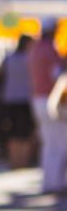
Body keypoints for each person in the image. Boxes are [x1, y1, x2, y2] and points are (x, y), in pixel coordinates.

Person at [27, 18, 67, 193]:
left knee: (49, 143)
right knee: (59, 143)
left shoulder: (35, 49)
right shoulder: (50, 49)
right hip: (52, 101)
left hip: (38, 99)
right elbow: (56, 76)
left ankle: (50, 181)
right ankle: (57, 183)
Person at [0, 34, 36, 169]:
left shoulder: (9, 59)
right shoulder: (29, 59)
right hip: (25, 99)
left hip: (9, 98)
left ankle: (14, 161)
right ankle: (22, 162)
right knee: (24, 132)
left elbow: (0, 77)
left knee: (13, 132)